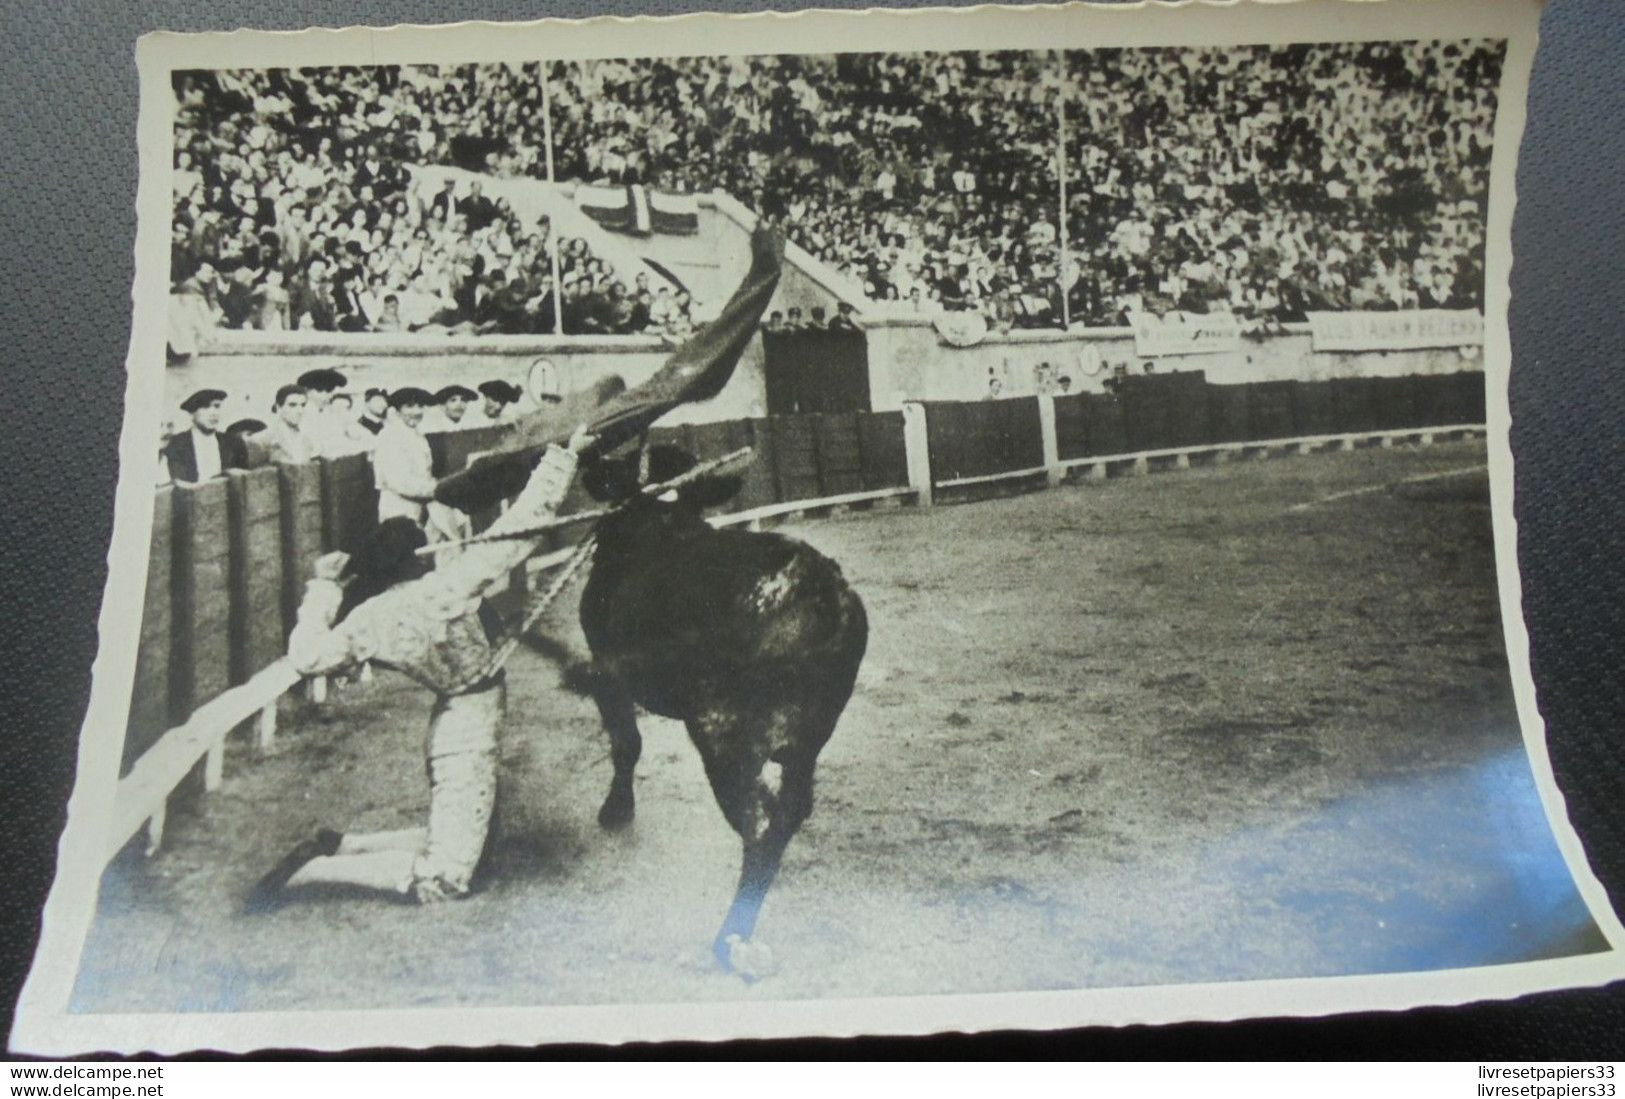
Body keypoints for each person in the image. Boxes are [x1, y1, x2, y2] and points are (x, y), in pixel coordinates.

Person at [247, 425, 598, 909]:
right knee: (448, 877)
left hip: (455, 722)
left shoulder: (370, 616)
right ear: (417, 558)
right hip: (467, 727)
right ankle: (314, 871)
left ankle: (343, 846)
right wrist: (565, 459)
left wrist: (322, 591)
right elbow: (521, 528)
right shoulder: (447, 586)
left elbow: (306, 657)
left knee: (472, 845)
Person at [372, 386, 437, 526]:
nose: (417, 412)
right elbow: (399, 482)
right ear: (396, 411)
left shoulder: (417, 435)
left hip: (418, 505)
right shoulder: (390, 436)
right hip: (397, 508)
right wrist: (437, 489)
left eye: (420, 406)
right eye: (409, 406)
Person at [162, 388, 251, 483]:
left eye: (217, 406)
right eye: (205, 407)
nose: (213, 413)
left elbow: (245, 482)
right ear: (192, 414)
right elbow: (179, 484)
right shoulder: (178, 444)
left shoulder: (234, 443)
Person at [257, 384, 316, 464]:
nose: (300, 411)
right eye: (292, 405)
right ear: (278, 408)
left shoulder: (307, 441)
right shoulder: (264, 439)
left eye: (303, 405)